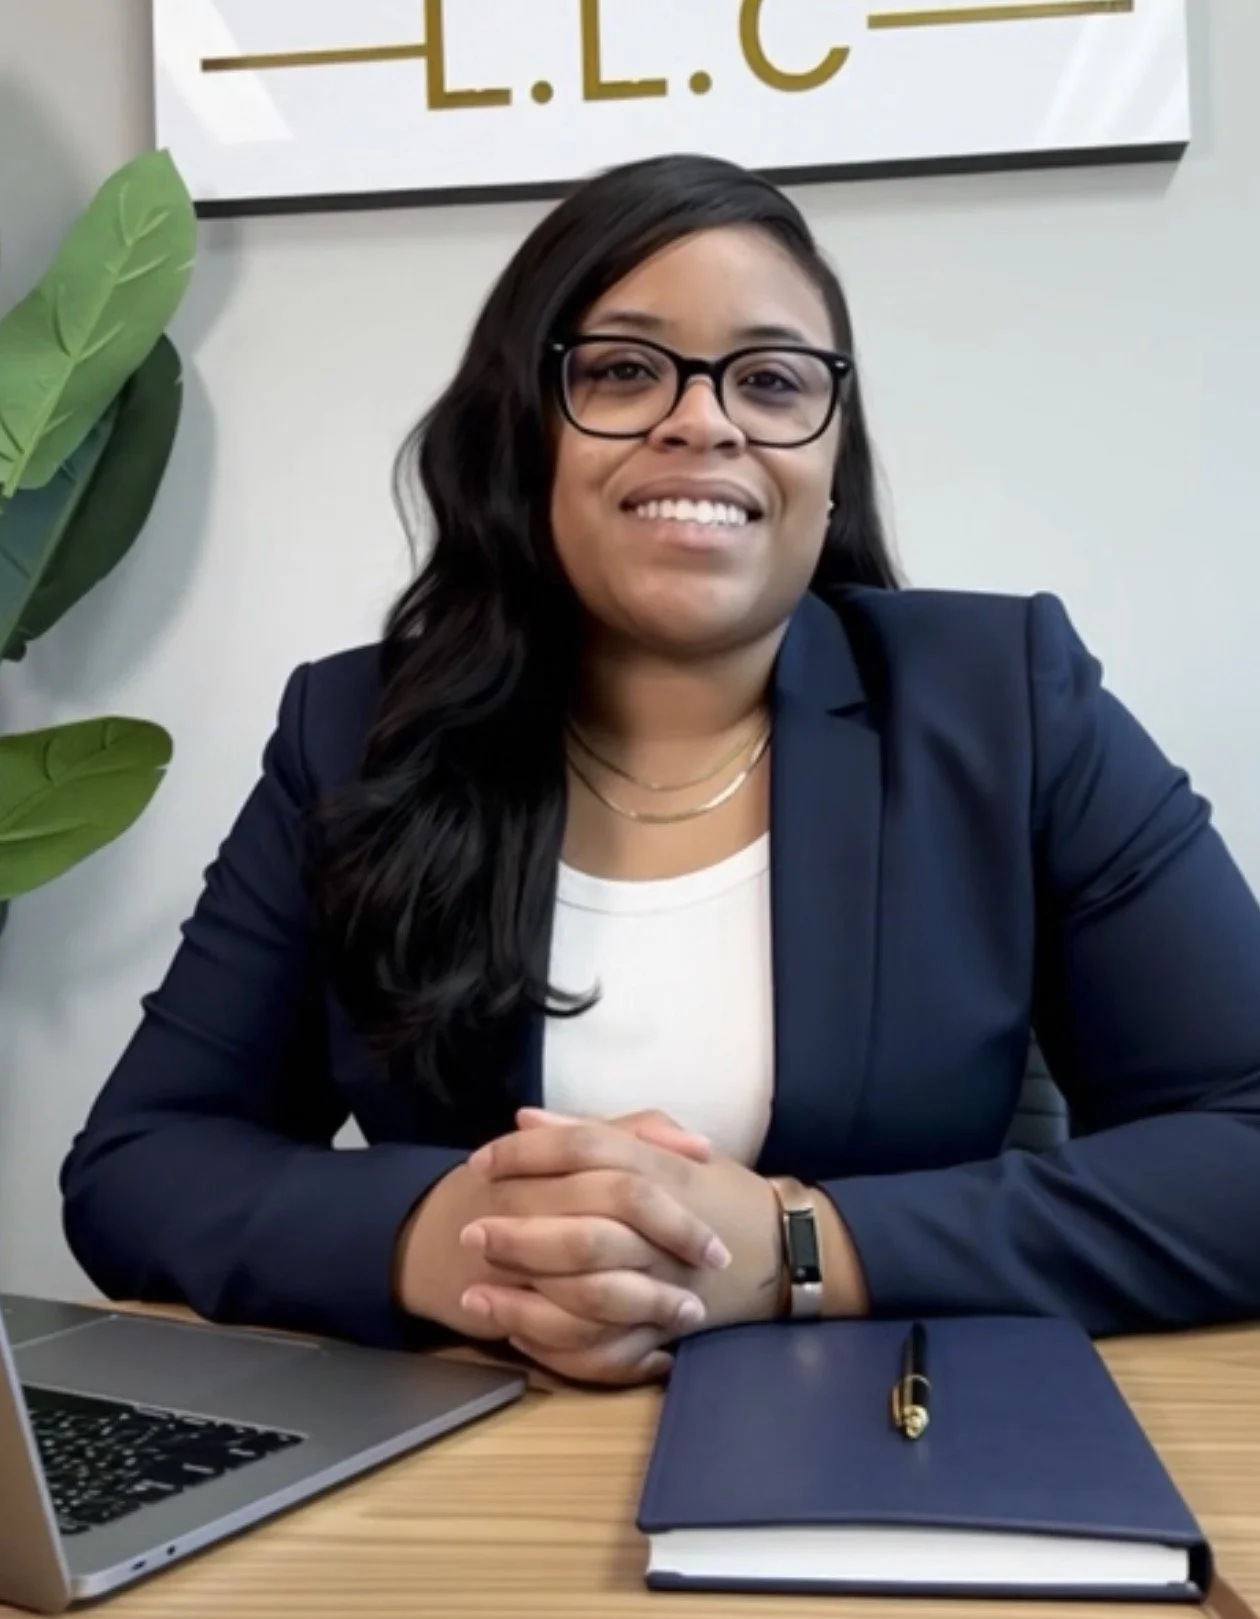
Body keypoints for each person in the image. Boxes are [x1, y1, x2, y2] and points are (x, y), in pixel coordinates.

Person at [61, 153, 1260, 1388]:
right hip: (461, 1482)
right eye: (626, 370)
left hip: (898, 1454)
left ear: (829, 456)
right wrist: (453, 1240)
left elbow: (1247, 1135)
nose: (705, 418)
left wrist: (799, 1246)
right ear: (524, 434)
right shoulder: (354, 729)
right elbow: (139, 1163)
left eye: (774, 378)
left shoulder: (1007, 699)